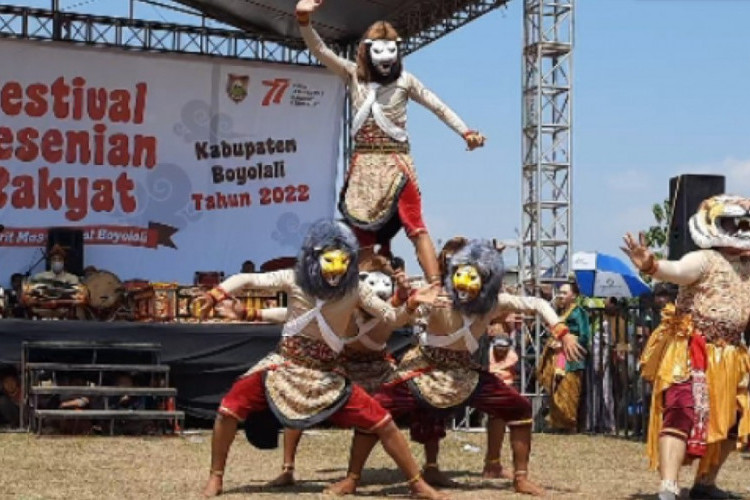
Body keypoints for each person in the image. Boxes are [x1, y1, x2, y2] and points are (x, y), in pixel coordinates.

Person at [197, 220, 446, 499]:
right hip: (284, 364)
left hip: (327, 374)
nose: (336, 268)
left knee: (382, 421)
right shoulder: (295, 278)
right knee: (228, 409)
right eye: (330, 259)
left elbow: (390, 316)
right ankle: (216, 477)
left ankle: (418, 484)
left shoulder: (355, 289)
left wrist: (411, 303)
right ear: (315, 257)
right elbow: (249, 279)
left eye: (343, 261)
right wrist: (217, 293)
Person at [326, 240, 584, 497]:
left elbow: (537, 304)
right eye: (459, 275)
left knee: (519, 408)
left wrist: (564, 333)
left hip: (465, 373)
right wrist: (413, 301)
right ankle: (352, 478)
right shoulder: (438, 298)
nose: (464, 287)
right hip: (424, 369)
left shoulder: (494, 302)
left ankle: (520, 478)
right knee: (377, 410)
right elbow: (400, 317)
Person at [295, 0, 485, 283]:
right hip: (364, 165)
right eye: (379, 51)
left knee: (415, 225)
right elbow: (320, 50)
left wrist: (465, 131)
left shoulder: (405, 81)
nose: (385, 59)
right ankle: (361, 291)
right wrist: (303, 21)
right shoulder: (352, 75)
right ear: (366, 51)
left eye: (391, 51)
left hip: (397, 162)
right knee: (362, 231)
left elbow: (437, 106)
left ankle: (434, 287)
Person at [622, 194, 750, 500]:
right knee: (681, 411)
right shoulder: (703, 259)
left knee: (733, 419)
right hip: (693, 351)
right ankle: (668, 485)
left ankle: (705, 484)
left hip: (732, 355)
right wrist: (651, 265)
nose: (740, 228)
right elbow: (676, 271)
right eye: (732, 222)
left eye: (744, 222)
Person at [538, 281, 590, 432]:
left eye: (564, 293)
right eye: (559, 292)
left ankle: (568, 424)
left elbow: (585, 336)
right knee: (556, 387)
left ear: (573, 296)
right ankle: (556, 423)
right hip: (557, 355)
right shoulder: (559, 314)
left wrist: (567, 343)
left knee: (569, 390)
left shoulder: (579, 312)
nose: (560, 296)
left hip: (571, 357)